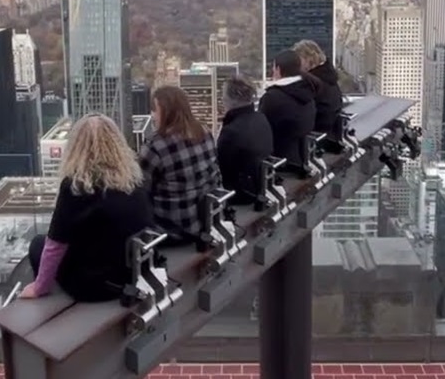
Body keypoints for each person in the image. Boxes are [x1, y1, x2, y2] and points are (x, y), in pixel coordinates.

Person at [20, 114, 152, 302]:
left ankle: (48, 303)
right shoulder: (133, 179)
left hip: (93, 286)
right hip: (131, 276)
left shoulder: (75, 187)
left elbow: (55, 244)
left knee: (37, 245)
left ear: (76, 147)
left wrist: (39, 287)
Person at [139, 85, 223, 243]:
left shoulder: (155, 146)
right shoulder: (205, 132)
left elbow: (141, 194)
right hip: (206, 223)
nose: (153, 115)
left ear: (166, 112)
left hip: (169, 232)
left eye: (155, 110)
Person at [215, 76, 274, 205]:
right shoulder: (260, 118)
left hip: (239, 195)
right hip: (259, 186)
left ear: (229, 100)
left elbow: (221, 169)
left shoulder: (231, 131)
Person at [258, 49, 317, 173]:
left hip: (278, 166)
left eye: (273, 68)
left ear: (278, 70)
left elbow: (261, 134)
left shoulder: (272, 98)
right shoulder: (309, 93)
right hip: (302, 159)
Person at [293, 39, 345, 147]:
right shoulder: (330, 79)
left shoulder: (311, 84)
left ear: (309, 60)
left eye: (299, 60)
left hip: (315, 141)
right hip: (329, 136)